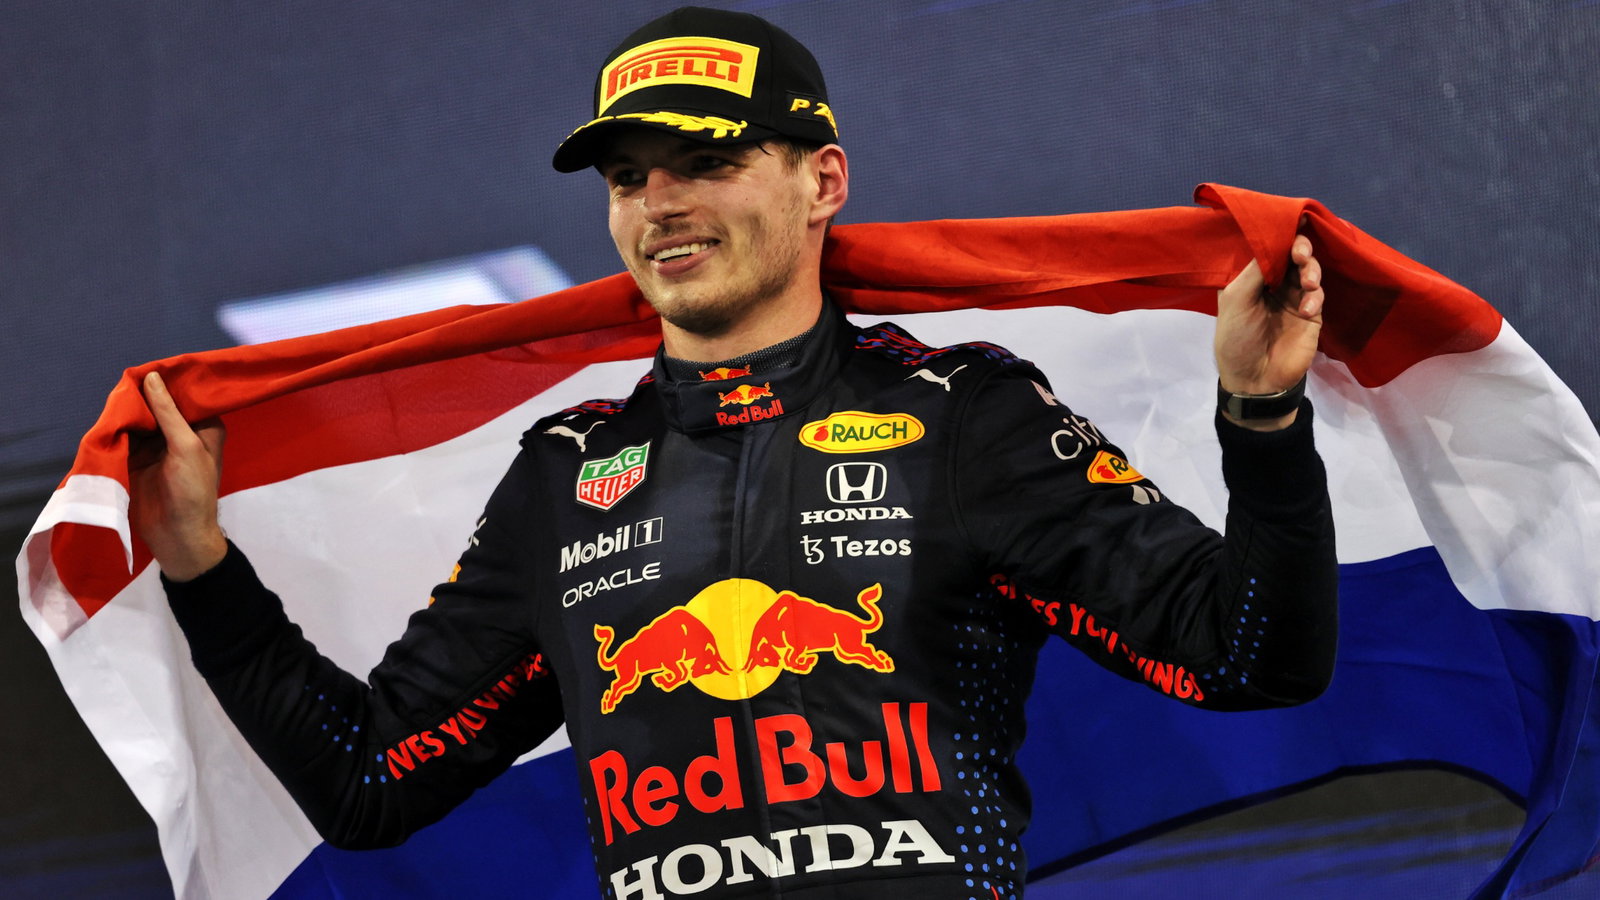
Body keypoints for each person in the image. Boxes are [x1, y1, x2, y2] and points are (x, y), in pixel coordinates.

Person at [132, 7, 1336, 899]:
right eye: (626, 178)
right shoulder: (566, 472)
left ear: (822, 182)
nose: (658, 203)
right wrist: (200, 568)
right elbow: (370, 781)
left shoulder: (962, 412)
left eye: (705, 162)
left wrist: (1262, 421)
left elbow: (1249, 657)